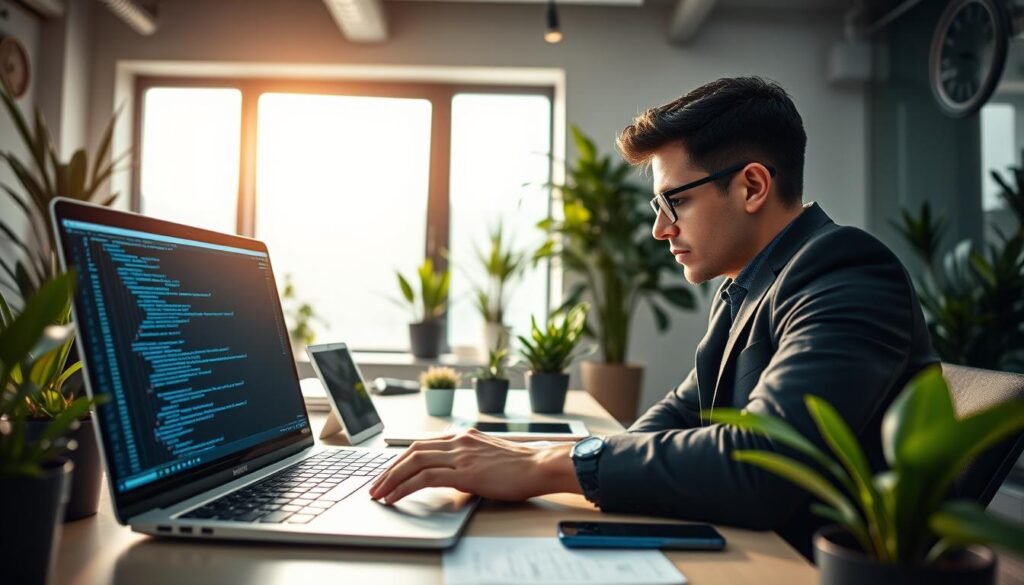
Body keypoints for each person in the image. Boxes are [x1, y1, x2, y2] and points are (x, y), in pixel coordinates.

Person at [369, 76, 938, 556]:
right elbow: (676, 419)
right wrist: (532, 456)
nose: (660, 228)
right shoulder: (749, 284)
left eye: (675, 201)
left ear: (753, 186)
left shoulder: (845, 271)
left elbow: (765, 467)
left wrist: (545, 466)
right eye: (658, 206)